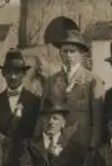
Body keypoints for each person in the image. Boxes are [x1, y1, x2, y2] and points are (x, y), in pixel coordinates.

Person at [40, 28, 102, 156]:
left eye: (72, 51)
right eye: (65, 51)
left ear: (81, 53)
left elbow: (97, 120)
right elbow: (43, 114)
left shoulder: (93, 80)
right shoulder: (51, 81)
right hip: (57, 144)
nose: (68, 56)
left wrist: (93, 145)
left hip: (82, 143)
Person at [0, 48, 42, 144]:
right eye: (9, 72)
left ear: (24, 74)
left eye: (17, 72)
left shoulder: (34, 101)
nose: (13, 77)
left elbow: (37, 133)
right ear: (3, 74)